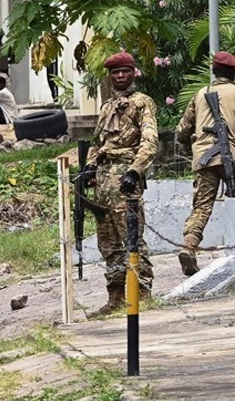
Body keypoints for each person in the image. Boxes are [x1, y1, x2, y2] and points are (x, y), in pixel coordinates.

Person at [80, 51, 158, 318]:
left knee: (132, 237)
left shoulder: (142, 103)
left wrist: (135, 171)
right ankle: (115, 297)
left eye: (125, 71)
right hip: (103, 180)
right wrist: (90, 166)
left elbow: (149, 141)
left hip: (126, 180)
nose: (120, 76)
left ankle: (143, 294)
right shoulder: (106, 107)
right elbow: (97, 142)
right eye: (116, 72)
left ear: (133, 72)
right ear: (110, 76)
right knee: (108, 241)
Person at [175, 51, 235, 276]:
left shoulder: (201, 94)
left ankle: (189, 246)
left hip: (205, 158)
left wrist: (190, 145)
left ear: (214, 71)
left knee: (202, 206)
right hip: (232, 155)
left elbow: (182, 129)